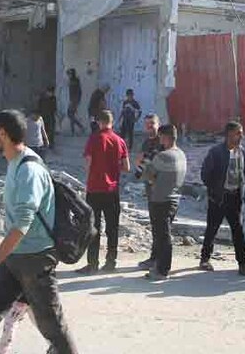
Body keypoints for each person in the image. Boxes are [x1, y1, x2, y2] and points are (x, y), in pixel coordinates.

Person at [0, 110, 78, 354]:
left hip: (36, 259)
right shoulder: (15, 162)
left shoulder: (28, 170)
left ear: (2, 134)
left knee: (53, 328)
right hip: (14, 260)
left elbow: (22, 223)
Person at [199, 121, 245, 276]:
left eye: (241, 132)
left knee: (238, 230)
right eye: (238, 133)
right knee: (212, 229)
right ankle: (205, 259)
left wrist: (242, 183)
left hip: (235, 197)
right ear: (229, 134)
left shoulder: (242, 152)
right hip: (218, 198)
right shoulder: (216, 152)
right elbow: (205, 174)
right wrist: (215, 190)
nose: (241, 135)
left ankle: (243, 263)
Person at [78, 109, 130, 274]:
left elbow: (87, 163)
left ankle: (92, 263)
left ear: (99, 122)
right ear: (112, 122)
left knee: (94, 226)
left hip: (94, 188)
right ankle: (111, 262)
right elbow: (127, 167)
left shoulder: (93, 139)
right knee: (112, 227)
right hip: (112, 190)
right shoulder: (120, 141)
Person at [142, 124, 186, 281]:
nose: (159, 140)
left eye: (160, 136)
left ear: (166, 137)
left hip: (160, 199)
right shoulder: (181, 154)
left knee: (162, 236)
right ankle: (159, 266)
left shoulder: (163, 156)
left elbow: (145, 175)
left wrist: (147, 163)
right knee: (164, 234)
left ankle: (162, 270)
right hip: (174, 199)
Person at [135, 114, 163, 270]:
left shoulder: (163, 142)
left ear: (158, 124)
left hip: (161, 188)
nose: (149, 127)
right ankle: (155, 258)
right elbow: (141, 164)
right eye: (147, 124)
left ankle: (158, 259)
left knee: (160, 225)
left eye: (152, 123)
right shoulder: (146, 143)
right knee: (155, 224)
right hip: (150, 188)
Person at [65, 69, 84, 136]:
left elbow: (77, 92)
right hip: (73, 100)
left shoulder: (74, 81)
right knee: (71, 115)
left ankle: (80, 127)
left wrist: (73, 101)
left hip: (74, 100)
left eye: (69, 74)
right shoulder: (73, 81)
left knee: (70, 114)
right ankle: (73, 130)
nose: (68, 76)